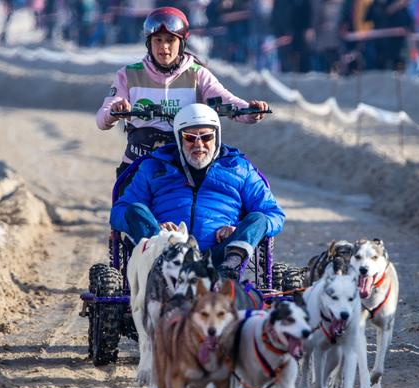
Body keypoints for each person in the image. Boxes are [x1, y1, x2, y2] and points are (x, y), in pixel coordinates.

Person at [109, 103, 284, 276]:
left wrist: (236, 229)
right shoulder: (152, 167)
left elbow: (273, 214)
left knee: (259, 218)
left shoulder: (240, 168)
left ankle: (230, 270)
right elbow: (119, 211)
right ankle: (162, 265)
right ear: (178, 138)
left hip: (220, 256)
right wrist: (156, 229)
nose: (199, 144)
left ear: (217, 136)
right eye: (190, 137)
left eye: (206, 137)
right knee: (135, 210)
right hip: (167, 254)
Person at [95, 6, 269, 178]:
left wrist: (250, 111)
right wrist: (114, 112)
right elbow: (102, 120)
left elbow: (226, 100)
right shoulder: (128, 74)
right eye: (158, 40)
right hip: (137, 169)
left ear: (181, 43)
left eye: (170, 40)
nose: (164, 47)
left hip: (183, 171)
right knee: (129, 208)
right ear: (149, 42)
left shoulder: (198, 74)